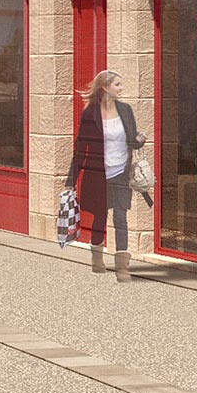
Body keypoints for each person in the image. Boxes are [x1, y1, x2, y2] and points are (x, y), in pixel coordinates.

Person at [67, 69, 145, 281]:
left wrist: (139, 140)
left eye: (121, 84)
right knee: (100, 218)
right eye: (117, 85)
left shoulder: (125, 110)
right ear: (105, 88)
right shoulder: (90, 114)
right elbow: (81, 148)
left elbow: (132, 140)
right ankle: (97, 259)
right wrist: (70, 181)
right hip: (99, 175)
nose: (121, 88)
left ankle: (122, 268)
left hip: (121, 172)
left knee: (120, 217)